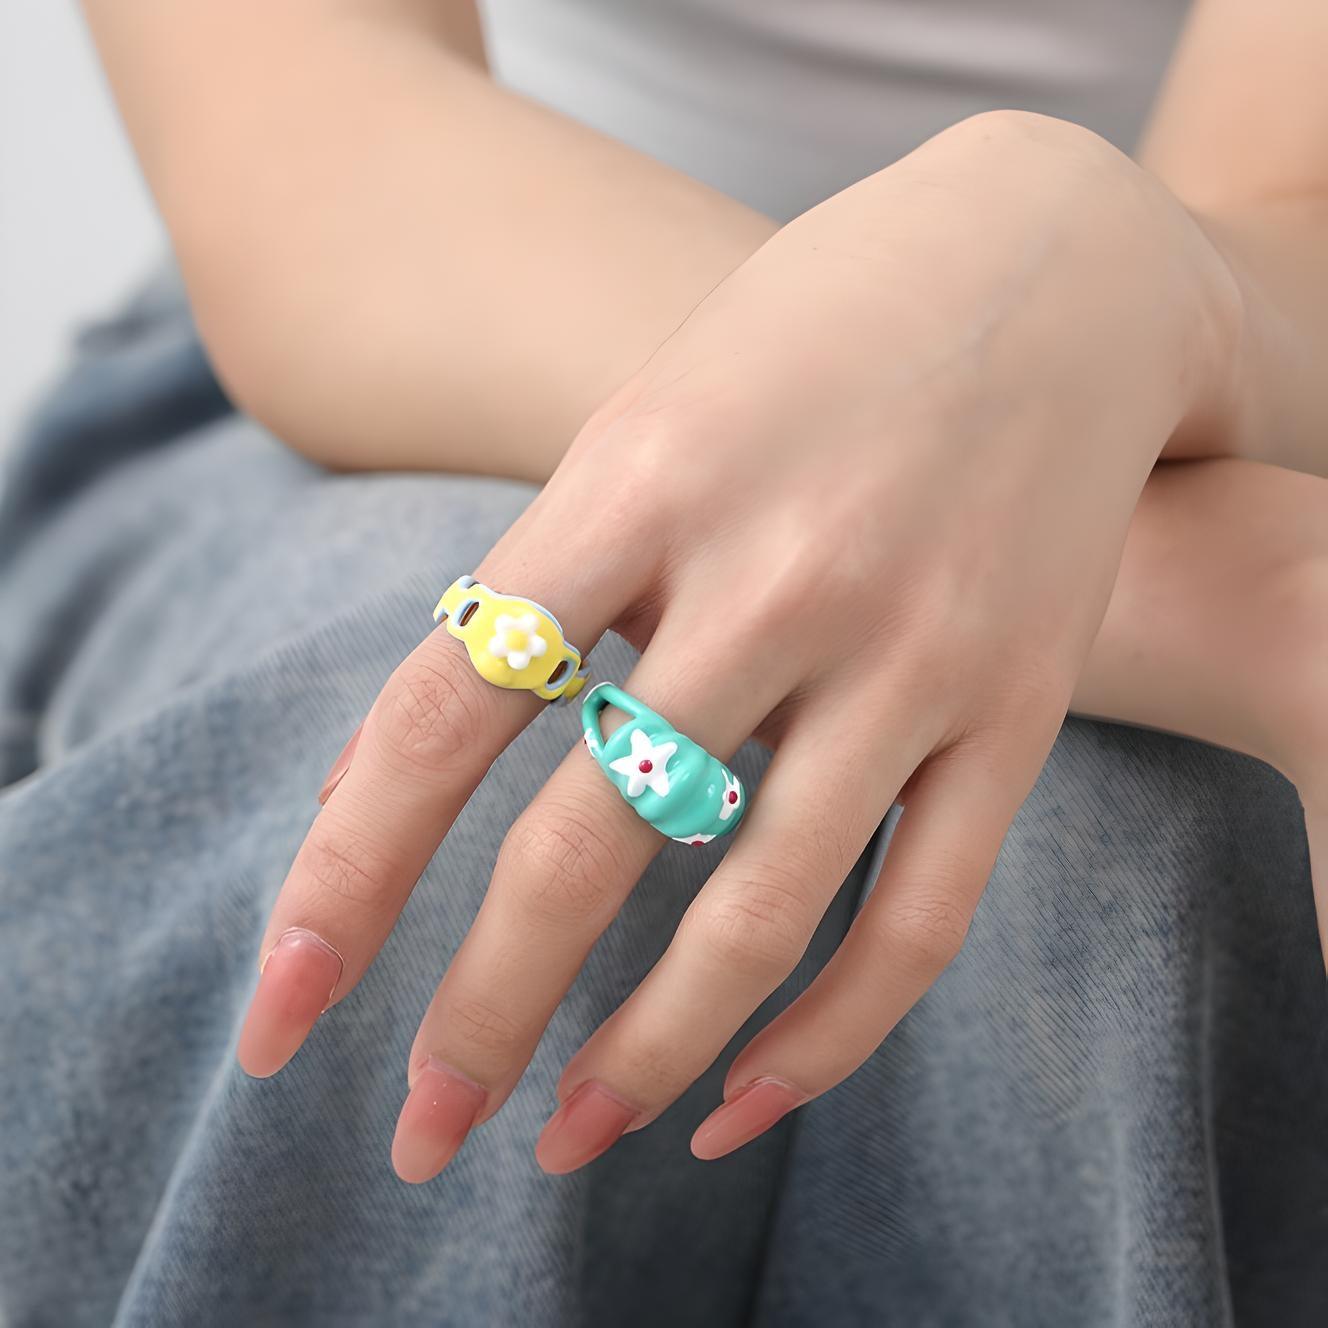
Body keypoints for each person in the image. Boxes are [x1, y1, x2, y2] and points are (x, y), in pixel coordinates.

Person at [2, 1, 1327, 1323]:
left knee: (1127, 830)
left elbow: (1292, 214)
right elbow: (329, 176)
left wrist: (1100, 264)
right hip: (435, 333)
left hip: (1188, 392)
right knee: (471, 797)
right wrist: (1258, 594)